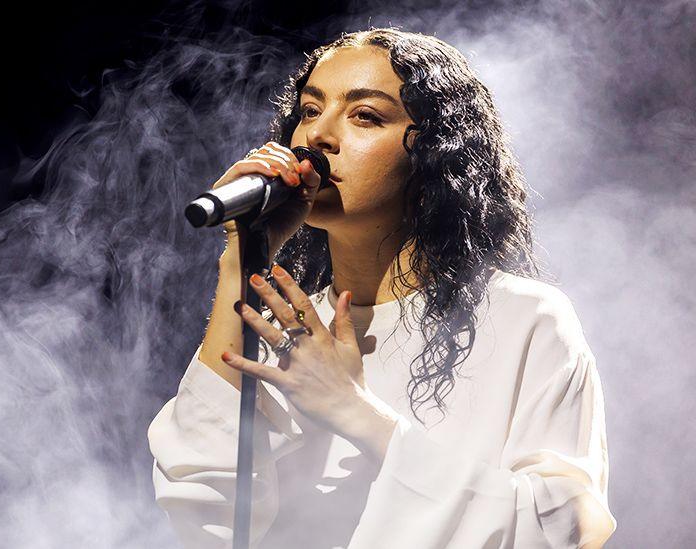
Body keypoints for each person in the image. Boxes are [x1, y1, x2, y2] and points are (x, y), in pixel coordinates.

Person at [147, 27, 616, 548]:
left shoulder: (525, 318)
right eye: (308, 111)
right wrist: (242, 256)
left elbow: (565, 529)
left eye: (364, 115)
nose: (317, 138)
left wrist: (356, 414)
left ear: (434, 154)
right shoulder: (283, 326)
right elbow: (202, 512)